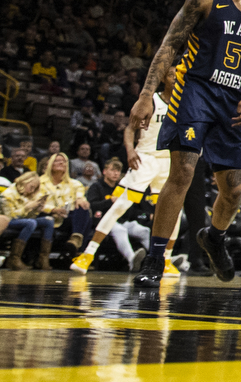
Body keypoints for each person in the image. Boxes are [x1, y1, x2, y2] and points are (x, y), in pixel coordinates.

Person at [129, 0, 241, 288]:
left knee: (235, 190)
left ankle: (214, 237)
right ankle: (155, 257)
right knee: (183, 173)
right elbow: (169, 46)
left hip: (232, 99)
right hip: (194, 89)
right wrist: (147, 95)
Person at [73, 67, 178, 276]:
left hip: (168, 160)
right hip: (145, 157)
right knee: (121, 204)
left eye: (180, 75)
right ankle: (88, 254)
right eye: (173, 74)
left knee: (173, 211)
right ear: (163, 78)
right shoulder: (150, 100)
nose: (177, 79)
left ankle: (166, 259)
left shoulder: (184, 104)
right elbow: (130, 129)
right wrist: (130, 150)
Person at [0, 172, 55, 270]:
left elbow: (30, 217)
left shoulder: (28, 195)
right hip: (6, 221)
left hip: (23, 220)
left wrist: (36, 209)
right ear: (24, 182)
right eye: (31, 187)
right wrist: (26, 208)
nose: (32, 190)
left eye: (35, 188)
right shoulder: (7, 194)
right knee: (31, 223)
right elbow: (9, 216)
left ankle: (43, 259)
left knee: (49, 220)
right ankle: (14, 258)